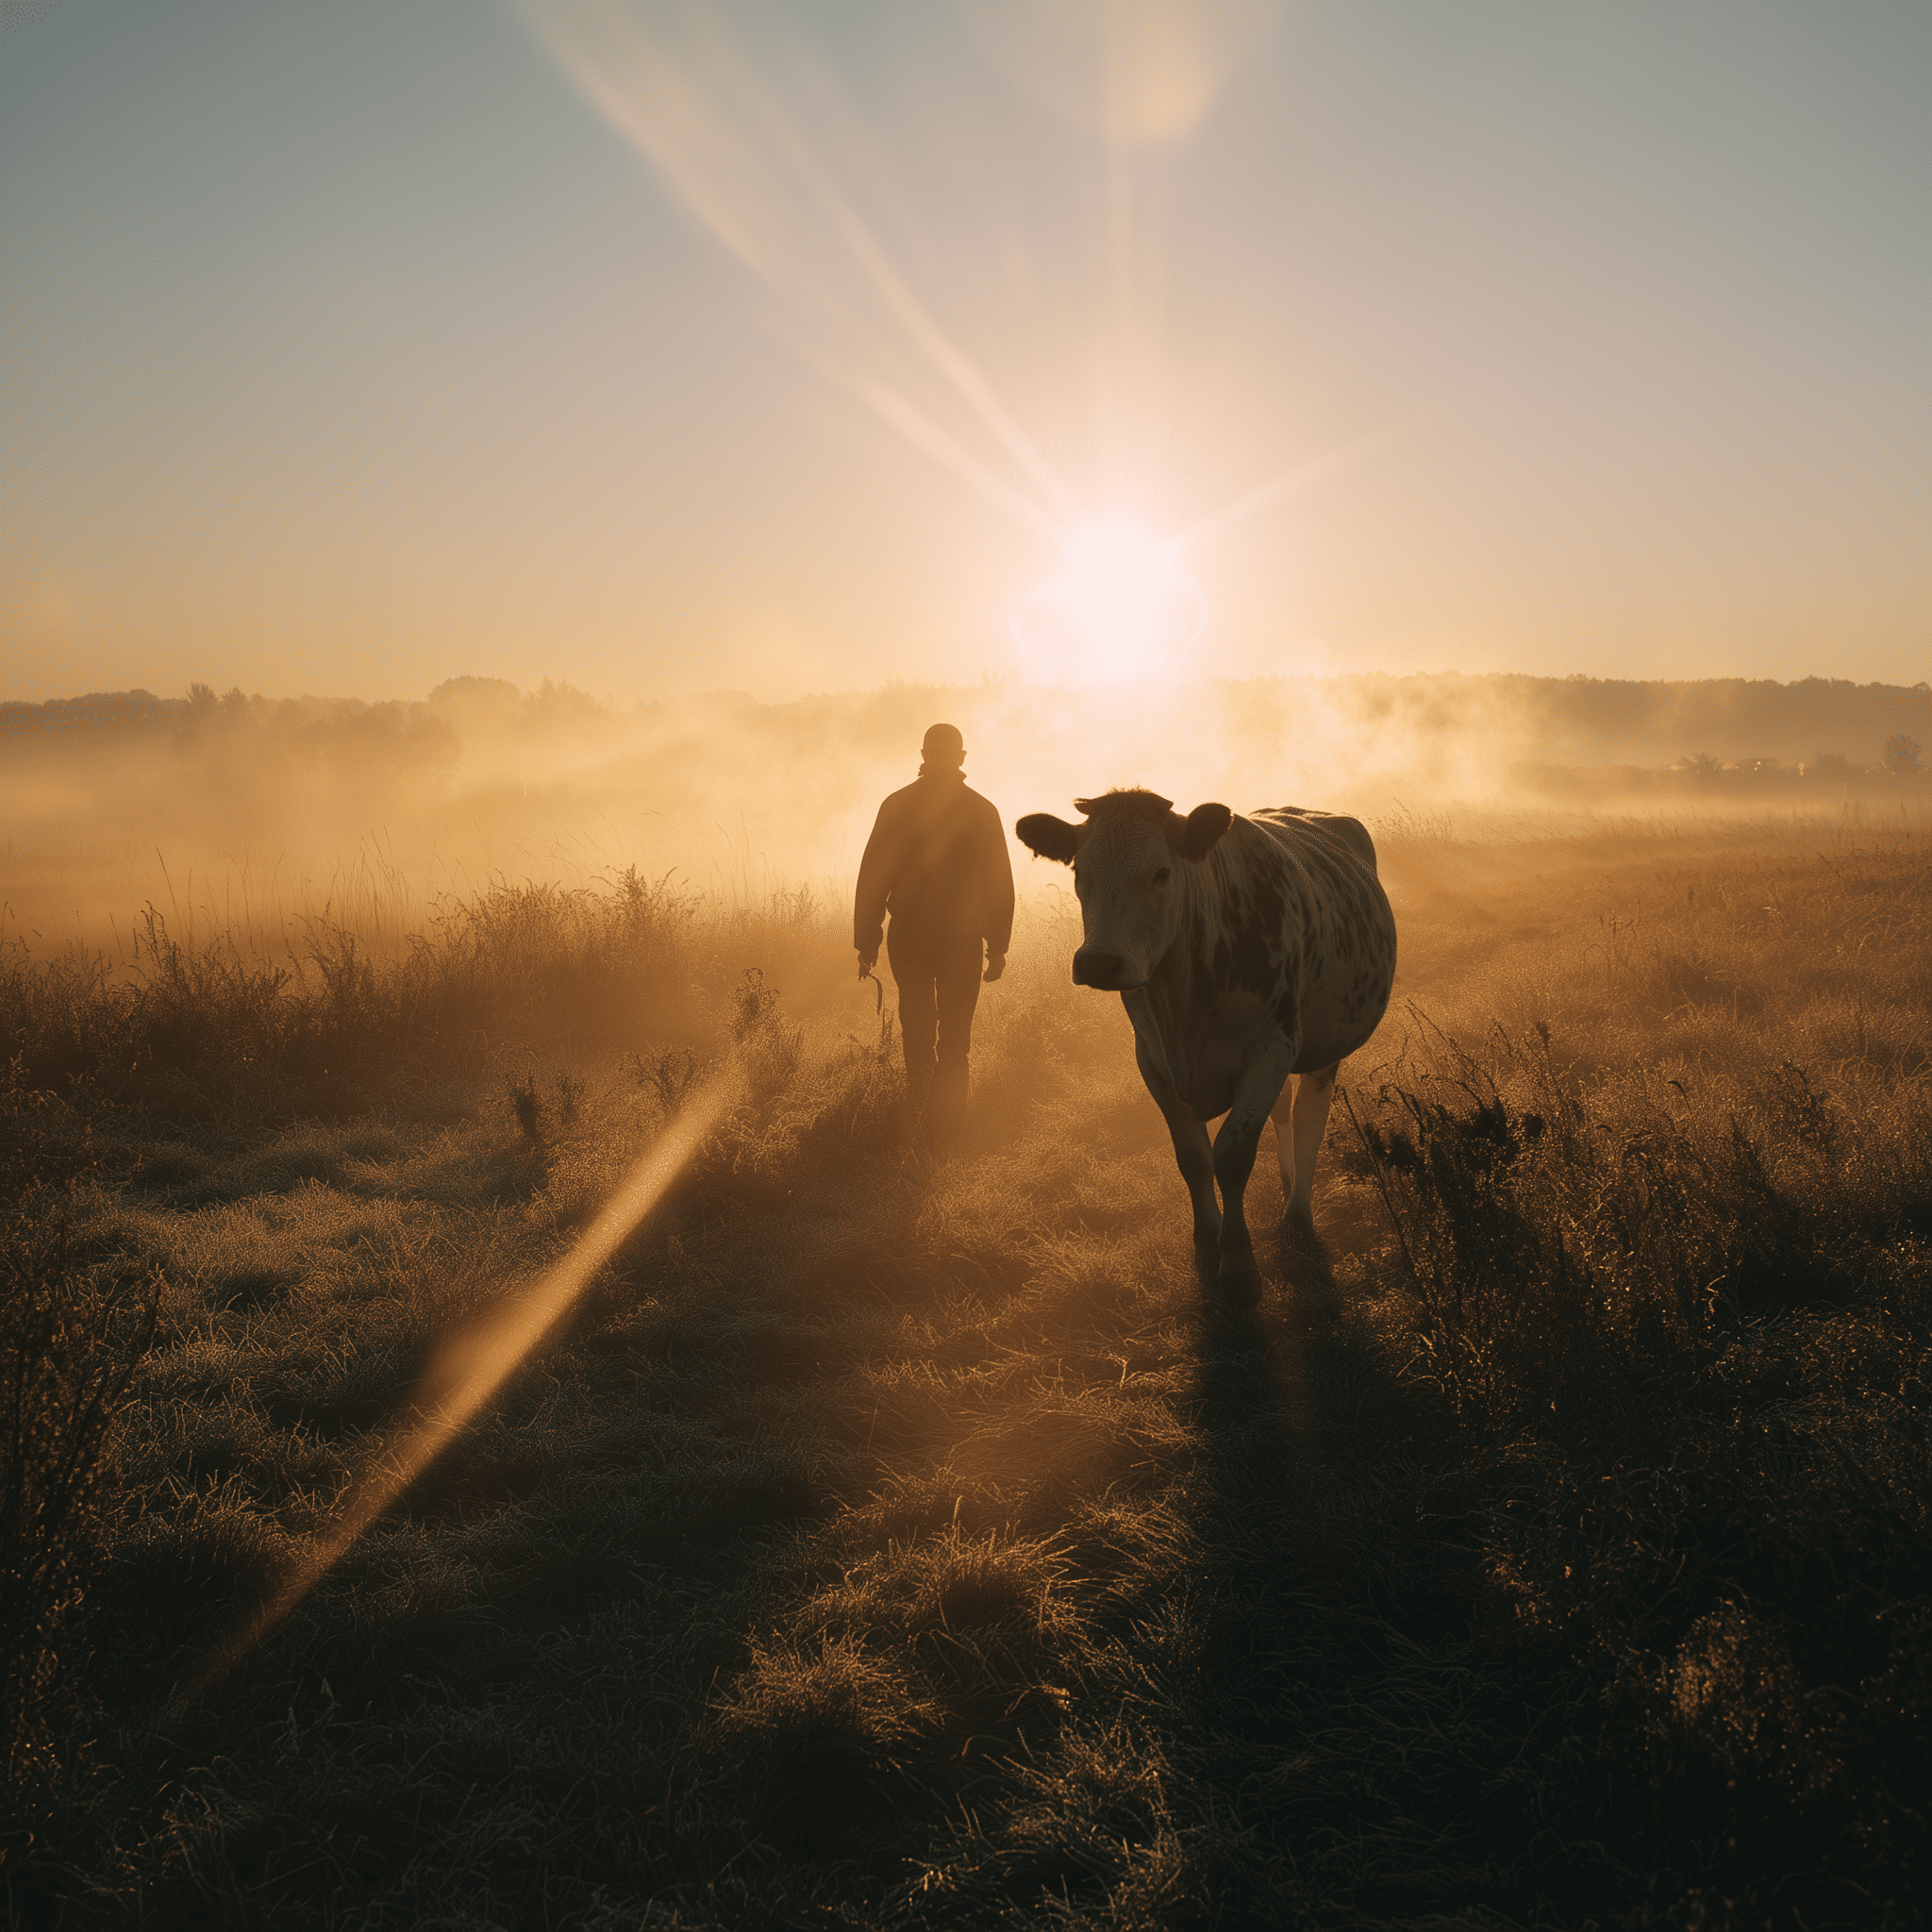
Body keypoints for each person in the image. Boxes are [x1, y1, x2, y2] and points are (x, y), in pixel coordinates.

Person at [854, 722, 1015, 1141]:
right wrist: (997, 948)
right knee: (955, 1042)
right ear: (961, 758)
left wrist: (867, 942)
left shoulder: (896, 805)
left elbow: (873, 877)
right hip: (961, 941)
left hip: (908, 938)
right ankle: (948, 1128)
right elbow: (1000, 883)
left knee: (918, 1030)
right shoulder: (983, 810)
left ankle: (918, 1119)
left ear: (924, 756)